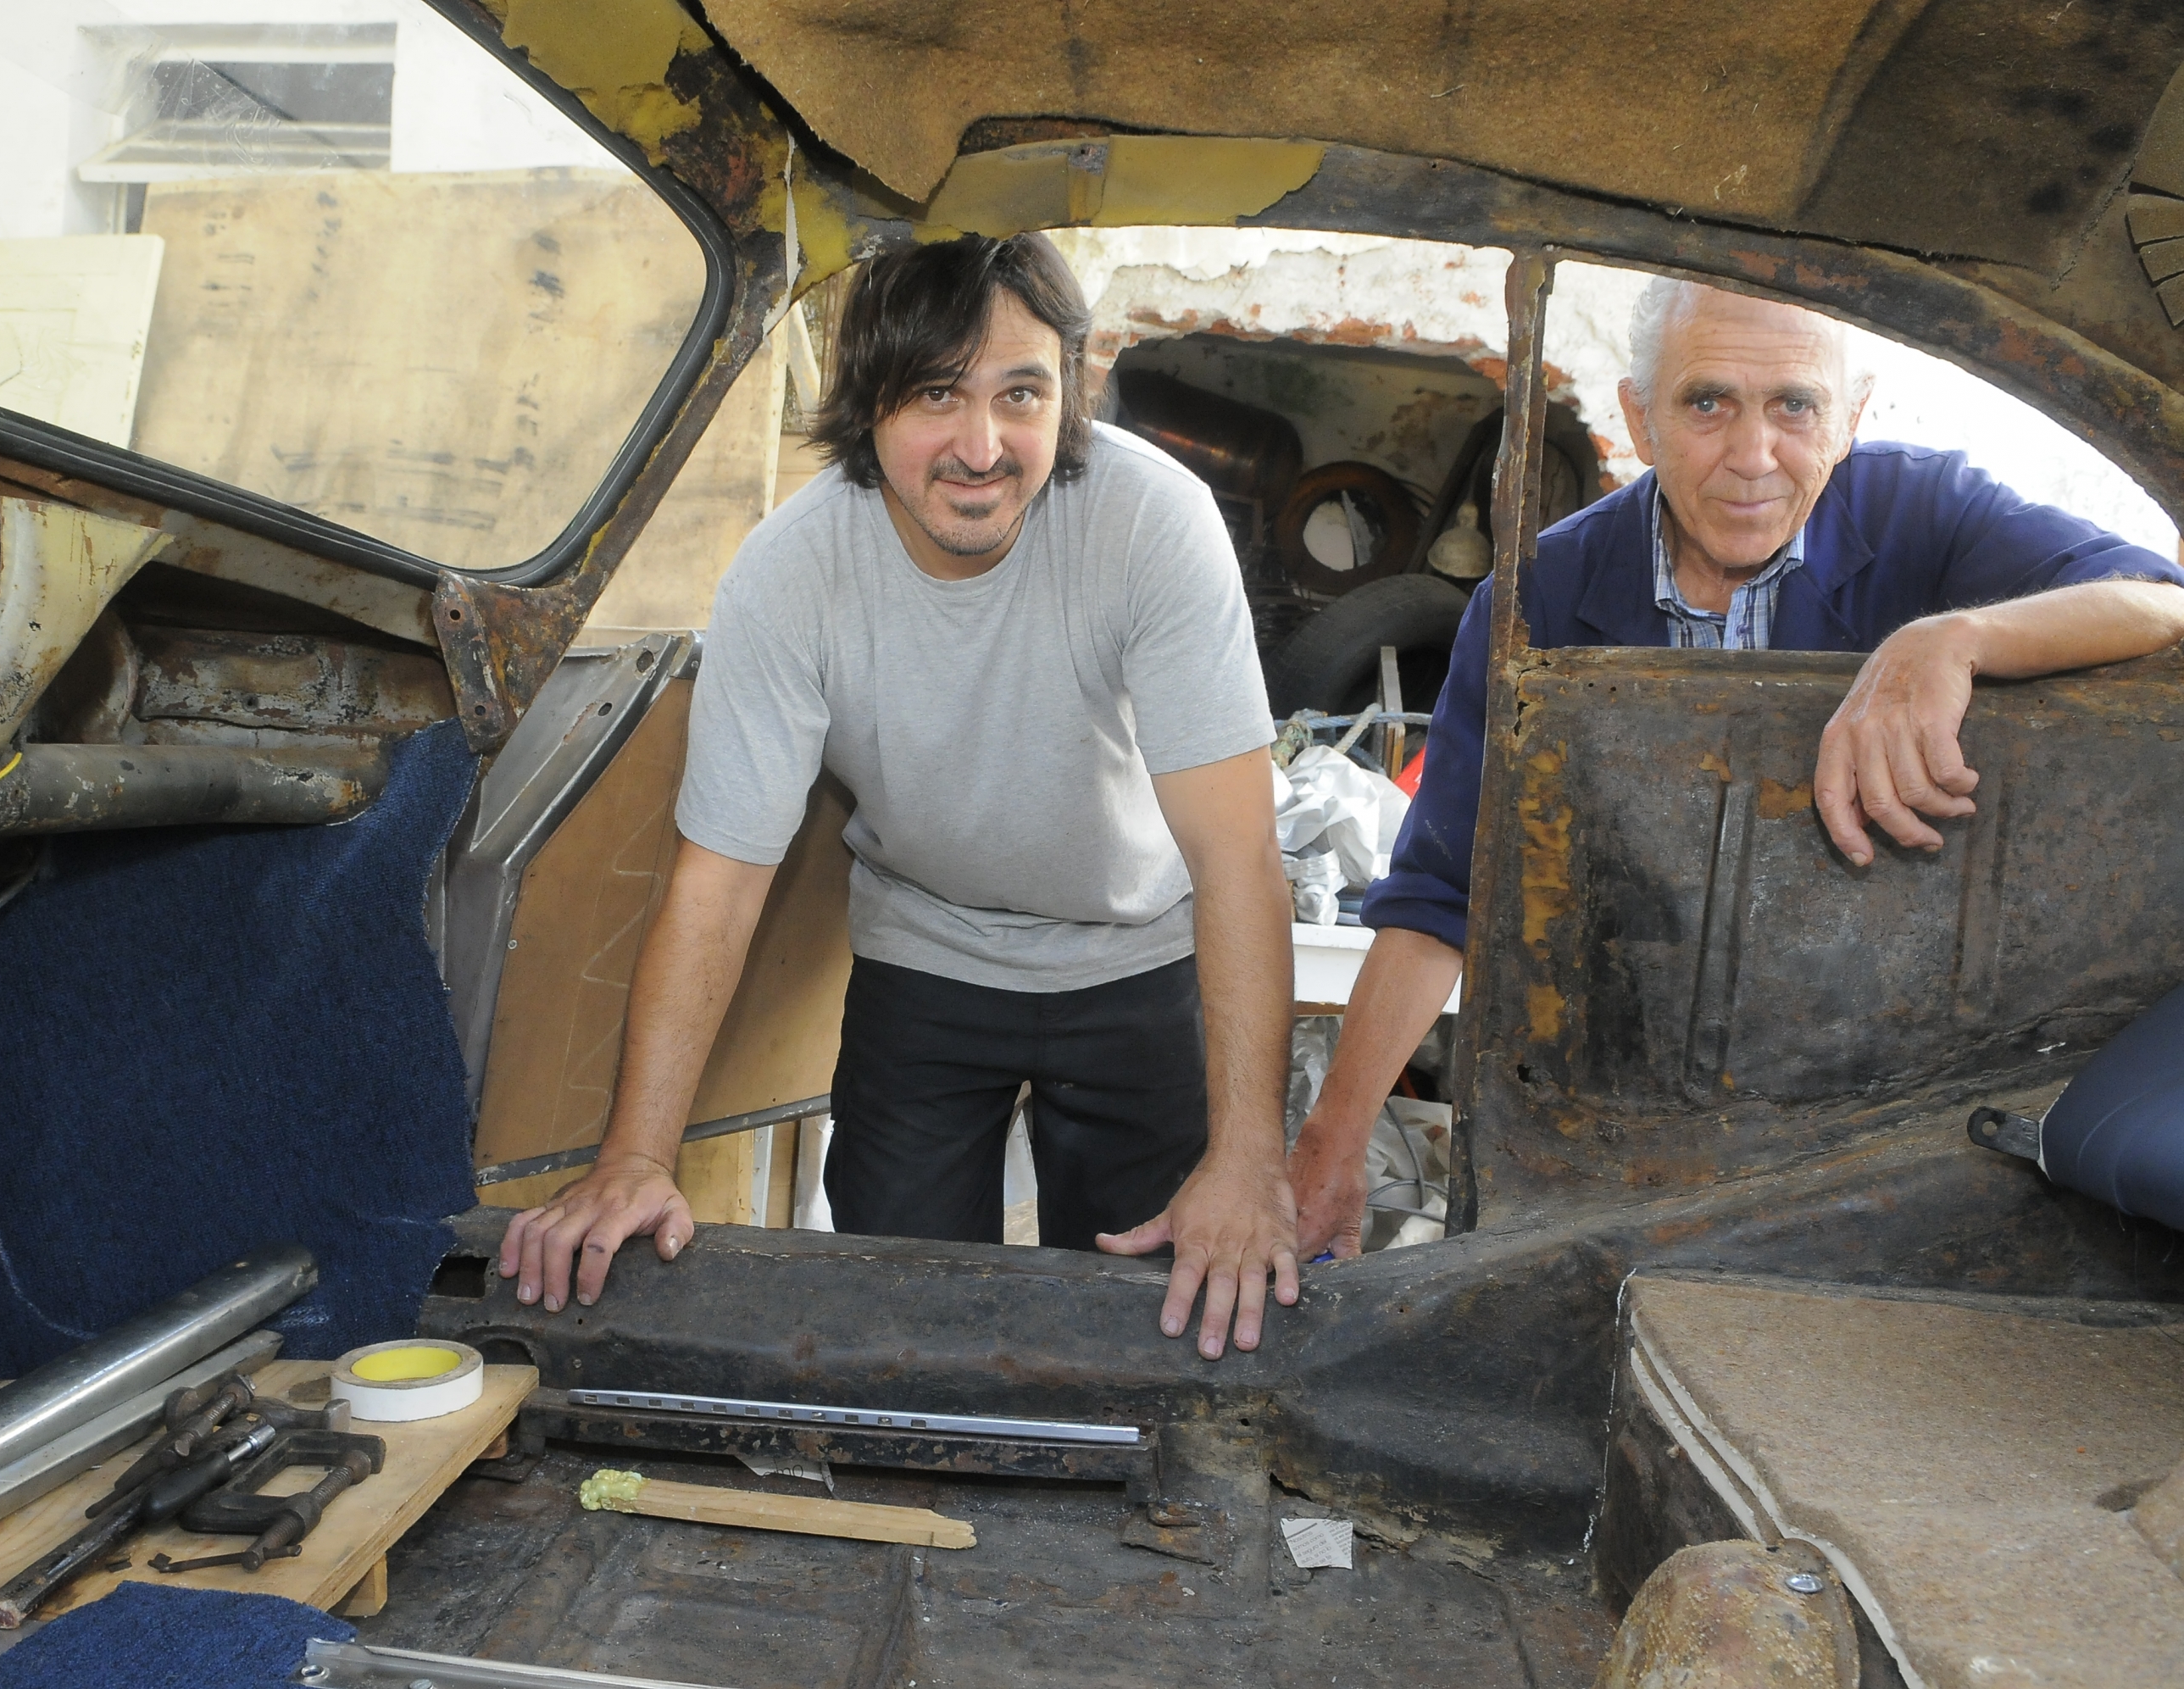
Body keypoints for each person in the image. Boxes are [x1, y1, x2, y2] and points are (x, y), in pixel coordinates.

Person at [499, 235, 1302, 1358]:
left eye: (1021, 394)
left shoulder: (1151, 523)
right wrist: (636, 1157)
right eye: (937, 395)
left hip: (1139, 961)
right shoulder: (791, 570)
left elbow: (1239, 859)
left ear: (1071, 392)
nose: (982, 447)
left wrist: (1249, 1160)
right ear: (866, 401)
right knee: (894, 1330)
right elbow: (721, 882)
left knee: (1165, 1334)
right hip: (926, 958)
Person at [1289, 278, 2184, 1258]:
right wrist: (1332, 1144)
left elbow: (2158, 599)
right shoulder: (1537, 597)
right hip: (1622, 1117)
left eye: (1795, 406)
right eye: (1706, 402)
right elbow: (1439, 899)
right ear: (1639, 417)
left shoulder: (1924, 512)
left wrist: (1952, 638)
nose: (1753, 457)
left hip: (1882, 1116)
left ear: (1850, 417)